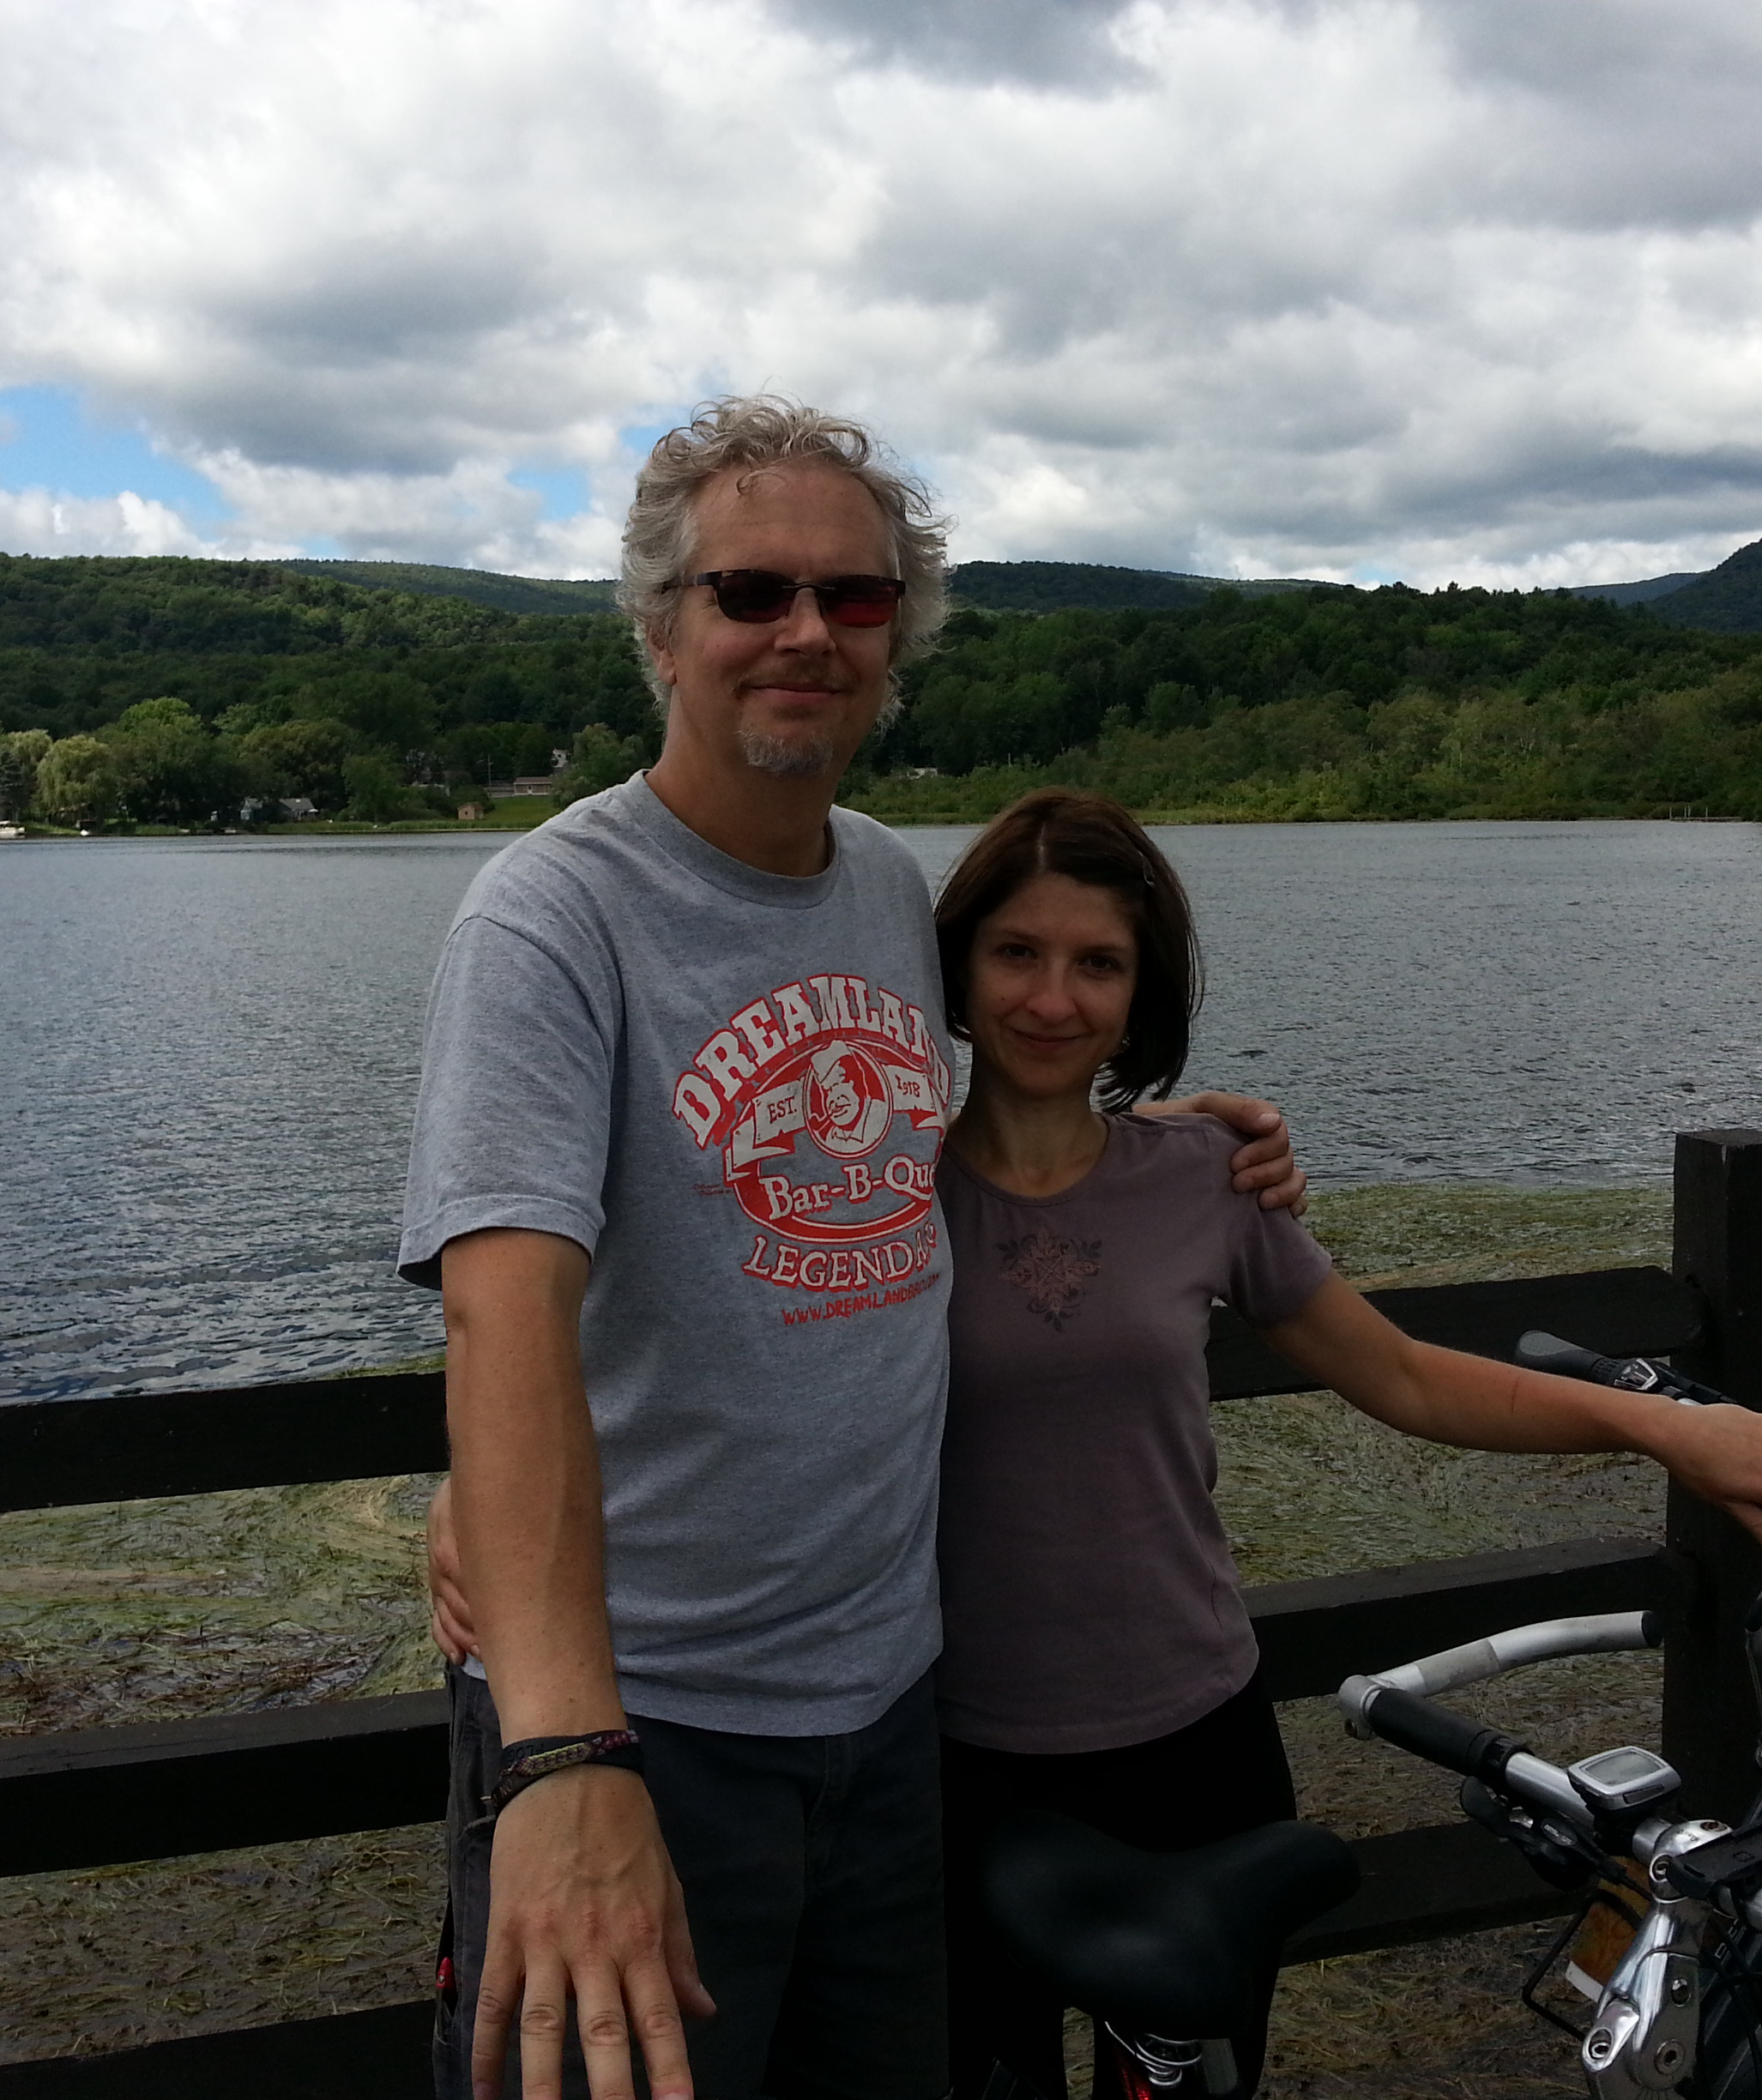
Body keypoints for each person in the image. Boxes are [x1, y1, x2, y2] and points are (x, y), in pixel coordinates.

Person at [397, 397, 1303, 2100]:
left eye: (856, 596)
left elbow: (977, 1124)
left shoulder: (890, 891)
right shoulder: (550, 918)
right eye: (751, 591)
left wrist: (1169, 1140)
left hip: (894, 1714)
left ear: (898, 639)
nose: (806, 631)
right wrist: (563, 1751)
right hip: (651, 1718)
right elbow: (502, 1317)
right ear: (662, 628)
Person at [926, 788, 1762, 2100]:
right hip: (957, 1756)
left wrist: (1660, 1425)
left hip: (1193, 1743)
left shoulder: (1206, 1179)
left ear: (1142, 989)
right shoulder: (873, 1193)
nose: (1053, 998)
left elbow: (1402, 1376)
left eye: (1097, 963)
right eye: (1017, 952)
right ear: (957, 965)